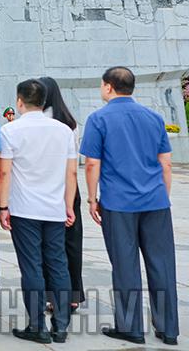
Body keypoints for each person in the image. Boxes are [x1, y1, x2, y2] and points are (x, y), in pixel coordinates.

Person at [80, 67, 178, 345]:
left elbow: (92, 163)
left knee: (125, 265)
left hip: (118, 203)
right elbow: (166, 162)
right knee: (162, 265)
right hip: (156, 201)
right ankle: (168, 329)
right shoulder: (154, 118)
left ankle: (131, 326)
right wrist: (162, 195)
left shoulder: (99, 119)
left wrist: (91, 198)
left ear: (109, 87)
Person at [0, 79, 76, 344]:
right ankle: (61, 326)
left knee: (31, 266)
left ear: (20, 102)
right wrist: (68, 204)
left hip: (24, 209)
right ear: (43, 102)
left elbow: (5, 172)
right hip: (54, 208)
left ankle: (37, 325)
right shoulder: (64, 130)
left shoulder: (11, 131)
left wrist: (3, 205)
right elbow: (71, 172)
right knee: (58, 264)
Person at [38, 75, 84, 308]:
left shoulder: (36, 123)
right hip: (68, 188)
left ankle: (52, 296)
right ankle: (74, 296)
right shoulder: (71, 123)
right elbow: (72, 167)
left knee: (47, 245)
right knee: (72, 243)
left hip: (44, 188)